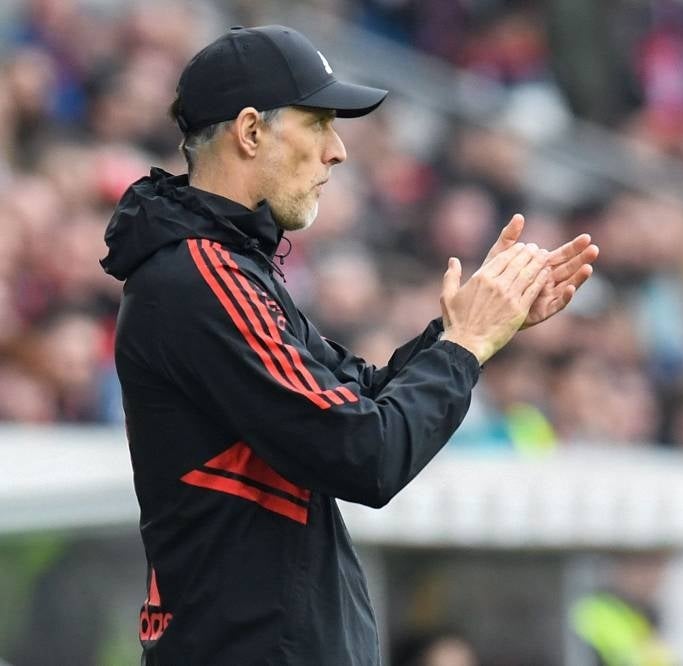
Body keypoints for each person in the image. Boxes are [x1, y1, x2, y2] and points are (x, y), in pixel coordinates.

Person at [99, 25, 598, 665]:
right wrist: (464, 345)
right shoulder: (200, 276)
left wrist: (470, 329)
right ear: (250, 133)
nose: (337, 151)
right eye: (318, 124)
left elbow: (359, 396)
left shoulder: (225, 269)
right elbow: (366, 453)